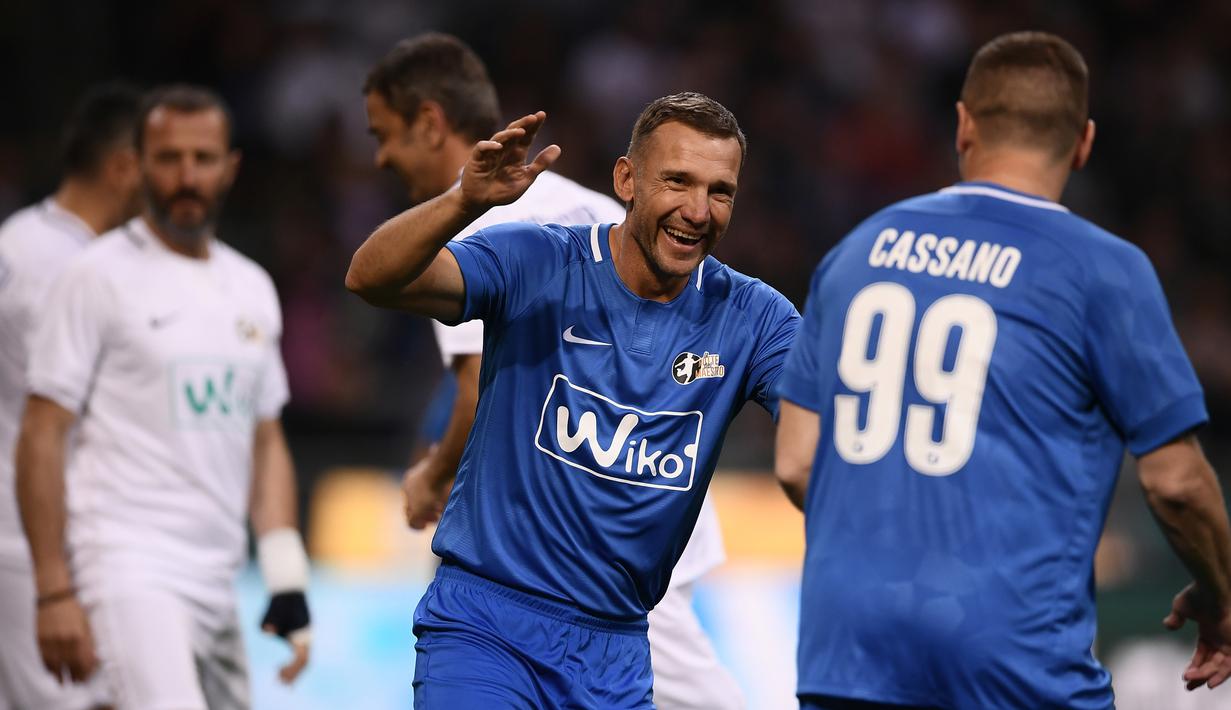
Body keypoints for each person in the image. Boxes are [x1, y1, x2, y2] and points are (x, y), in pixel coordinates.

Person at [774, 31, 1231, 709]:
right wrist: (1218, 598)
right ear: (1083, 142)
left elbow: (795, 462)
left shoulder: (854, 251)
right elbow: (1175, 485)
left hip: (845, 656)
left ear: (962, 126)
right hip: (1008, 659)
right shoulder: (1101, 269)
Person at [347, 91, 799, 707]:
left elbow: (828, 427)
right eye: (677, 181)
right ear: (627, 179)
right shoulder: (540, 262)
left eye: (720, 191)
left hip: (617, 651)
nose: (698, 210)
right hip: (486, 628)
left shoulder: (755, 318)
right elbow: (372, 277)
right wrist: (463, 202)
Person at [15, 84, 312, 710]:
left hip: (217, 578)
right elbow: (41, 431)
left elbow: (265, 439)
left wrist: (286, 579)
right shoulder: (94, 276)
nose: (186, 176)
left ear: (230, 167)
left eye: (203, 159)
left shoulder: (251, 287)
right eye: (168, 158)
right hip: (126, 569)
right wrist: (51, 590)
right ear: (139, 165)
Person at [0, 81, 142, 710]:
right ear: (123, 167)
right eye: (161, 161)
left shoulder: (19, 241)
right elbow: (58, 424)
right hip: (41, 545)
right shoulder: (66, 271)